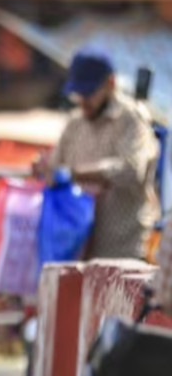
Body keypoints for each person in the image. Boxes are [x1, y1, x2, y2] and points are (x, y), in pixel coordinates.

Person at [35, 48, 160, 261]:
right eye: (78, 94)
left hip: (121, 251)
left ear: (110, 84)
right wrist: (44, 170)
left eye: (89, 92)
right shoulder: (75, 123)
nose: (83, 100)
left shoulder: (132, 120)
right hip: (77, 250)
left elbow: (131, 169)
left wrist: (78, 173)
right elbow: (55, 169)